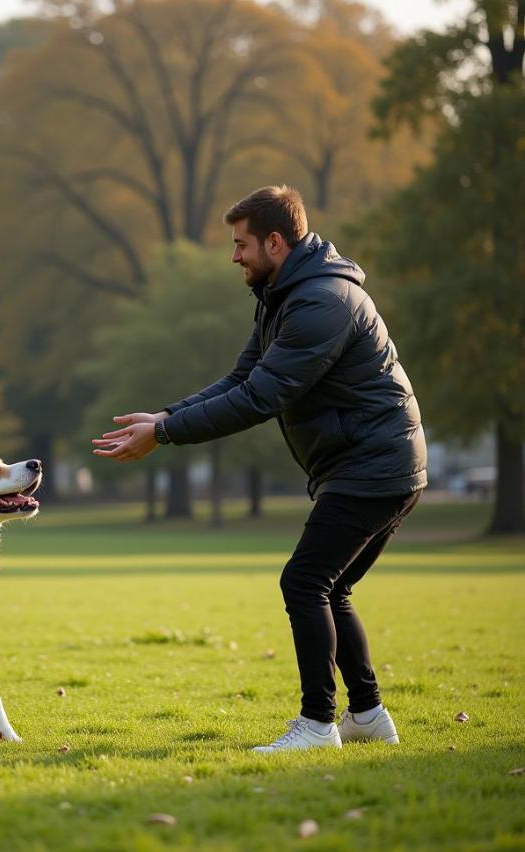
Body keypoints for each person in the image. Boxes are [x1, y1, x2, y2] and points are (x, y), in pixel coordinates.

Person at [92, 185, 427, 753]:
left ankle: (319, 725)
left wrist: (166, 434)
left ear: (276, 242)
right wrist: (168, 414)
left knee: (305, 581)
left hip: (375, 464)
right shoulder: (283, 294)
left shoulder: (322, 302)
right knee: (330, 586)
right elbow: (239, 378)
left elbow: (260, 398)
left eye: (242, 244)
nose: (235, 256)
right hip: (372, 463)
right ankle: (368, 715)